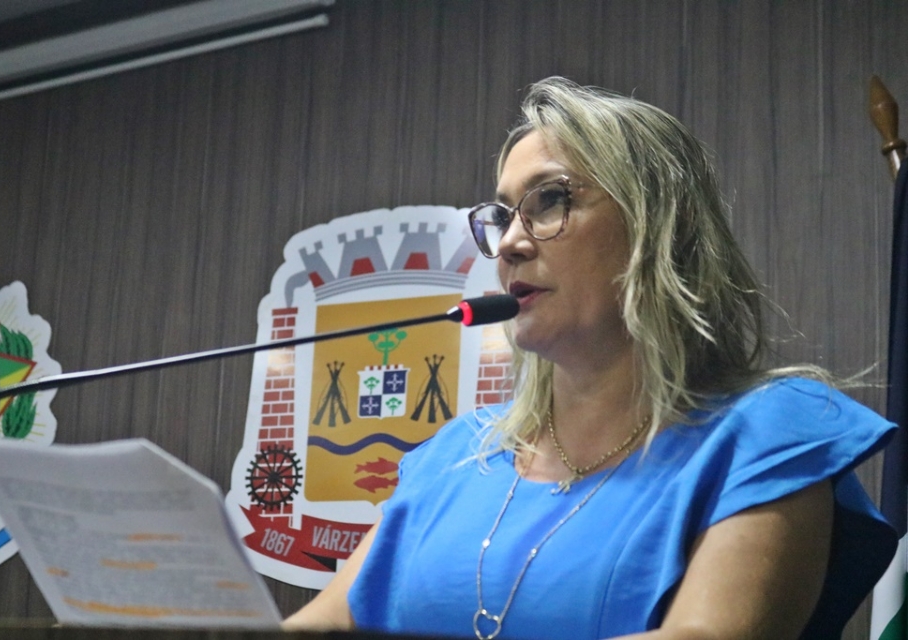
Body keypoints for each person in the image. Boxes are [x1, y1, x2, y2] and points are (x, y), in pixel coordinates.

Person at [284, 77, 897, 639]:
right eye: (503, 215)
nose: (511, 243)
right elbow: (324, 622)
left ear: (658, 225)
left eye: (550, 200)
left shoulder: (769, 431)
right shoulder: (453, 454)